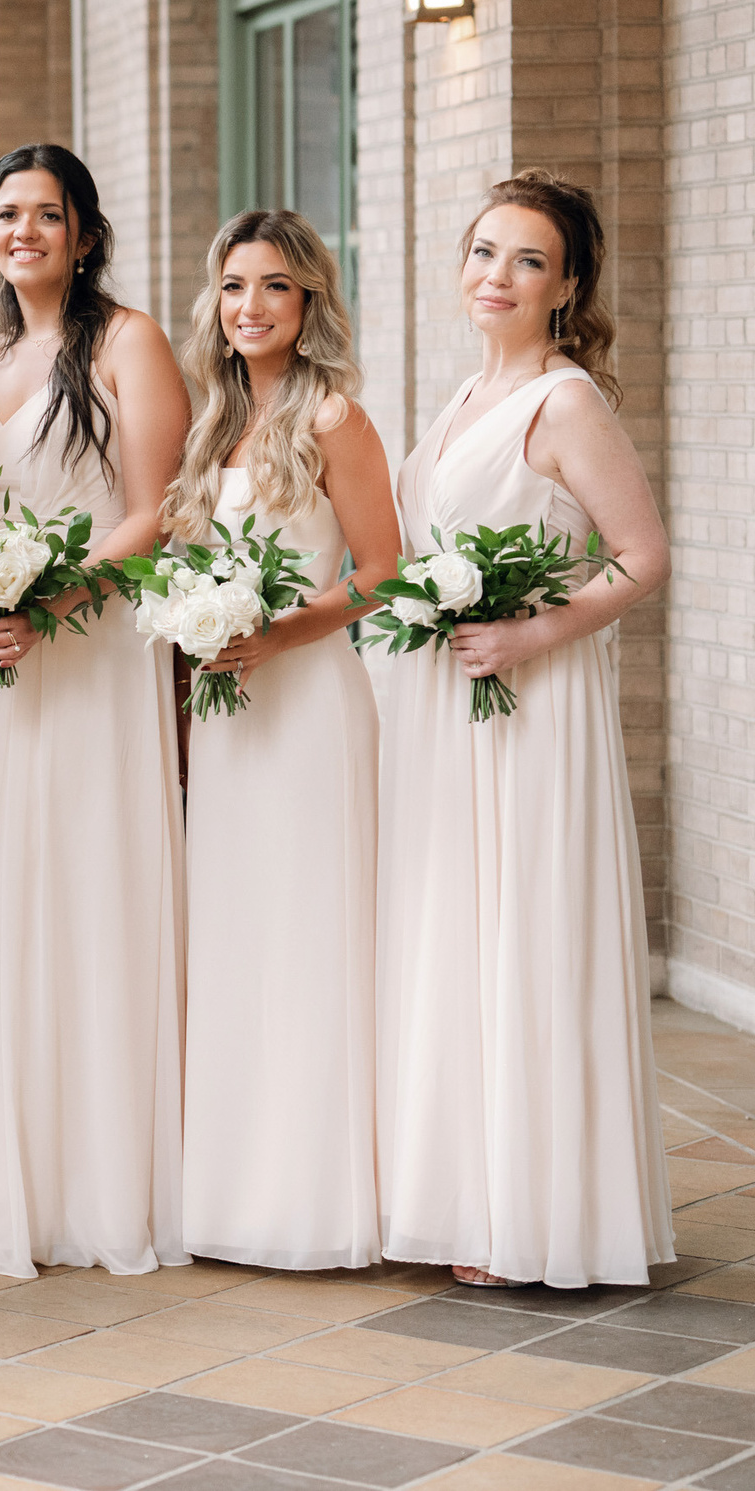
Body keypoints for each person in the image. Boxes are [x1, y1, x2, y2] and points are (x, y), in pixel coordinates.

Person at [380, 171, 673, 1289]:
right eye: (484, 253)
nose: (495, 277)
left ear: (568, 288)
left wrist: (533, 635)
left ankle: (533, 1214)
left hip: (532, 709)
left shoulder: (566, 402)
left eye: (527, 261)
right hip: (449, 710)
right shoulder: (461, 398)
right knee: (459, 933)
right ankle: (464, 1197)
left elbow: (641, 556)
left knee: (522, 932)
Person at [0, 144, 191, 1278]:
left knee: (91, 885)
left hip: (89, 653)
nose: (24, 232)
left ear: (85, 233)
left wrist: (58, 597)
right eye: (7, 214)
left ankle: (104, 1180)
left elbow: (157, 509)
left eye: (47, 215)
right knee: (9, 885)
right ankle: (16, 1170)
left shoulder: (127, 341)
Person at [164, 211, 397, 1270]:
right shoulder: (210, 427)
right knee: (234, 936)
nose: (248, 307)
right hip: (226, 716)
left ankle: (311, 1198)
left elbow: (382, 572)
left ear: (308, 305)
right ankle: (230, 1192)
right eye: (231, 288)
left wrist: (281, 631)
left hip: (307, 705)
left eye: (272, 288)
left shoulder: (334, 417)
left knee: (308, 934)